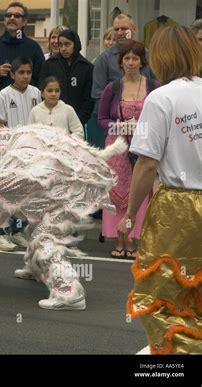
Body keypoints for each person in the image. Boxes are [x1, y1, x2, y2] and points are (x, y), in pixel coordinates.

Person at [118, 26, 202, 354]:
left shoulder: (161, 98)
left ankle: (174, 359)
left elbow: (147, 164)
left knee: (166, 290)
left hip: (179, 206)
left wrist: (129, 213)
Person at [98, 40, 160, 258]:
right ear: (121, 62)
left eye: (135, 58)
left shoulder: (154, 86)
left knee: (140, 190)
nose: (131, 62)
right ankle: (118, 237)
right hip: (117, 146)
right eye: (127, 58)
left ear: (142, 61)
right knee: (116, 191)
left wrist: (143, 127)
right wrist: (119, 125)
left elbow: (161, 117)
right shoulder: (112, 88)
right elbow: (102, 119)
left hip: (143, 145)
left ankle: (134, 237)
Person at [0, 56, 40, 252]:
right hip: (11, 152)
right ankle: (0, 234)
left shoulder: (36, 92)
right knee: (7, 193)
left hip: (32, 151)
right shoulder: (4, 94)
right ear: (12, 74)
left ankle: (17, 230)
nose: (26, 76)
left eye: (28, 72)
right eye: (21, 72)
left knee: (27, 194)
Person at [88, 13, 152, 150]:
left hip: (145, 131)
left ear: (134, 29)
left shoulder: (147, 56)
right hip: (115, 133)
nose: (120, 33)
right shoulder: (103, 60)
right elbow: (98, 97)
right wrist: (118, 124)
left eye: (124, 28)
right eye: (116, 29)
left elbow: (156, 90)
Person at [0, 2, 44, 126]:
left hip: (27, 112)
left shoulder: (33, 47)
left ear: (25, 21)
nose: (12, 18)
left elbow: (41, 78)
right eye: (8, 15)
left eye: (17, 15)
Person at [38, 29, 94, 127]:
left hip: (77, 121)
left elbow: (88, 99)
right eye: (60, 45)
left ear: (75, 44)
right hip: (51, 122)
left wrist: (77, 122)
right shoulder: (49, 64)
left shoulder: (86, 67)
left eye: (67, 44)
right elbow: (42, 91)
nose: (63, 48)